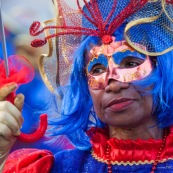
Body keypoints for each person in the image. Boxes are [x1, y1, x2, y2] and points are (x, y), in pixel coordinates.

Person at [1, 0, 173, 172]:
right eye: (97, 69)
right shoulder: (58, 168)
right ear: (85, 87)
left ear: (161, 70)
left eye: (129, 63)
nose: (113, 85)